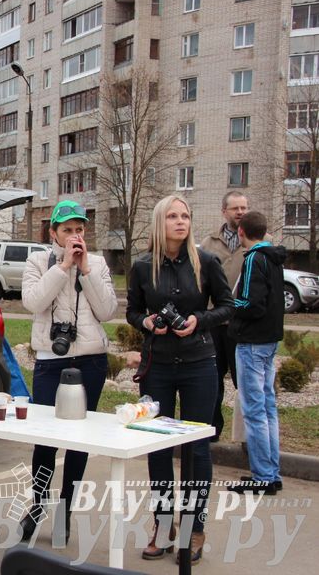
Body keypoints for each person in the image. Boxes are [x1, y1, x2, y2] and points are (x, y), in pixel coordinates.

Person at [126, 195, 234, 564]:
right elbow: (132, 310)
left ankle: (195, 527)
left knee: (197, 447)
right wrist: (145, 322)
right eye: (172, 215)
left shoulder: (206, 261)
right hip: (157, 366)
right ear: (160, 222)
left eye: (185, 215)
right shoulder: (143, 267)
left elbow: (226, 306)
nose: (180, 221)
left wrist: (198, 321)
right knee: (158, 446)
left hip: (199, 365)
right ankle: (163, 524)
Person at [19, 199, 118, 542]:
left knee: (80, 441)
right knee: (45, 439)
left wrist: (86, 271)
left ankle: (66, 511)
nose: (75, 236)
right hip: (51, 361)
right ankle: (37, 505)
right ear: (54, 234)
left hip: (90, 360)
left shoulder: (99, 264)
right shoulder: (37, 261)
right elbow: (33, 303)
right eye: (68, 230)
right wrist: (62, 267)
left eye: (79, 230)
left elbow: (106, 311)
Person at [227, 211, 286, 495]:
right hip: (270, 340)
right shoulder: (274, 258)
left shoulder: (253, 259)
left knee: (254, 410)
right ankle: (271, 472)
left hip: (252, 341)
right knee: (267, 407)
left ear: (241, 232)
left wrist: (229, 304)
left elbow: (251, 303)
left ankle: (263, 476)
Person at [200, 191, 248, 441]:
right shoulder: (209, 243)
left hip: (242, 324)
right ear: (224, 212)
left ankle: (245, 437)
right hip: (215, 322)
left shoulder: (261, 241)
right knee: (213, 378)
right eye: (235, 208)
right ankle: (212, 430)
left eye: (244, 208)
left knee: (244, 382)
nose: (240, 212)